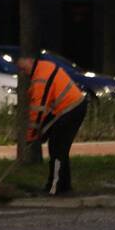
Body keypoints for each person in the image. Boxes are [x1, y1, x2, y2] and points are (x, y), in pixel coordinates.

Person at [17, 54, 88, 195]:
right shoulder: (43, 69)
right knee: (59, 147)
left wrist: (31, 136)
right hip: (70, 108)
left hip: (70, 109)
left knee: (57, 148)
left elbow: (38, 110)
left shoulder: (40, 78)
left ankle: (55, 187)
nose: (23, 73)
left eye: (23, 68)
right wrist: (41, 131)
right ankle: (63, 186)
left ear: (31, 61)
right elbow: (47, 106)